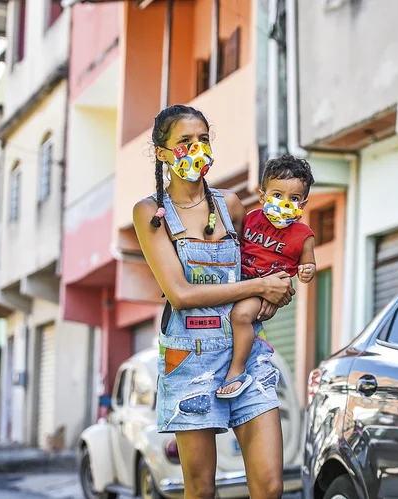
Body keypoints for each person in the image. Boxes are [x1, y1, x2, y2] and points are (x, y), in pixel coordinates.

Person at [132, 104, 294, 499]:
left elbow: (258, 267)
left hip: (245, 349)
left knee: (271, 485)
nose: (197, 148)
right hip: (190, 357)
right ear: (162, 153)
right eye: (185, 141)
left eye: (203, 139)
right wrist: (256, 289)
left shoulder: (231, 205)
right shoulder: (151, 213)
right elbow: (181, 294)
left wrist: (276, 289)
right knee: (202, 489)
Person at [216, 155, 316, 398]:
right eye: (278, 195)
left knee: (241, 316)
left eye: (294, 198)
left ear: (303, 203)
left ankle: (237, 370)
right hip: (240, 282)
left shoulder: (304, 235)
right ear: (262, 196)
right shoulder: (250, 219)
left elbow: (308, 265)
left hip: (264, 291)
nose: (285, 203)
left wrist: (307, 271)